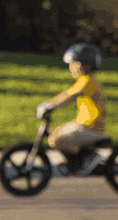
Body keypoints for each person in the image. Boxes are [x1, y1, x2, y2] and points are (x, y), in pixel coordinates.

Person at [39, 43, 108, 172]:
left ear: (85, 65)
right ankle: (76, 162)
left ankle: (87, 158)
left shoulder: (88, 81)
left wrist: (51, 106)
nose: (71, 67)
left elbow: (70, 97)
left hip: (91, 127)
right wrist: (49, 103)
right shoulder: (84, 80)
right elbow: (66, 94)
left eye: (73, 64)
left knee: (56, 139)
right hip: (82, 125)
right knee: (53, 133)